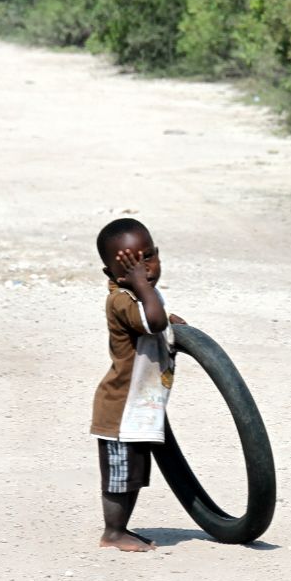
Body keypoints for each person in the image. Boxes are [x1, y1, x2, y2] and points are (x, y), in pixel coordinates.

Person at [90, 218, 186, 552]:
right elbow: (152, 320)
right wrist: (144, 288)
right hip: (121, 409)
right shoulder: (123, 299)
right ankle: (113, 532)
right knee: (119, 477)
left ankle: (121, 528)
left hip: (139, 408)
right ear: (113, 275)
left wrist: (173, 326)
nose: (144, 269)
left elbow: (157, 323)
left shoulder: (142, 294)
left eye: (149, 257)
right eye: (131, 266)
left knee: (133, 475)